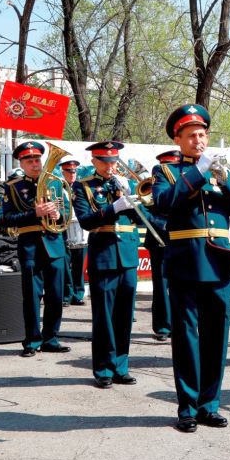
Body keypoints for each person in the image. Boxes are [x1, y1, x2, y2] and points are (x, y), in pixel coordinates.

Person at [154, 104, 230, 431]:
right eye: (191, 136)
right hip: (186, 263)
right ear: (178, 138)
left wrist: (225, 182)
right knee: (186, 338)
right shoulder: (168, 172)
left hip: (218, 263)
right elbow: (165, 202)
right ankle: (187, 406)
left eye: (202, 135)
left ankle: (209, 404)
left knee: (217, 337)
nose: (199, 141)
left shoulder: (220, 173)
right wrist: (197, 171)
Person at [71, 141, 141, 388]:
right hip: (105, 255)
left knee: (124, 315)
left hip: (128, 255)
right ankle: (103, 369)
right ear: (94, 162)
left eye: (113, 161)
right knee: (104, 317)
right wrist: (114, 208)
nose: (110, 166)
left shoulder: (126, 183)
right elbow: (86, 221)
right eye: (105, 161)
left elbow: (141, 218)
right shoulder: (83, 186)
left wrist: (131, 199)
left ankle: (121, 366)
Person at [2, 141, 72, 357]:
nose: (35, 164)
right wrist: (36, 213)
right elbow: (6, 219)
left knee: (56, 295)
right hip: (31, 246)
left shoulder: (56, 183)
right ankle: (32, 340)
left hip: (54, 245)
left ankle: (51, 337)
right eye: (29, 160)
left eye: (37, 159)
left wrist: (59, 215)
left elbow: (67, 211)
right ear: (21, 163)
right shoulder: (13, 188)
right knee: (32, 297)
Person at [146, 149, 179, 338]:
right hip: (159, 237)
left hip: (181, 236)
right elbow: (144, 211)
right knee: (161, 284)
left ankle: (179, 323)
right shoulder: (155, 183)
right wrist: (162, 224)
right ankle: (162, 326)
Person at [59, 156, 88, 306]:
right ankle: (66, 294)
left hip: (80, 227)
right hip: (64, 228)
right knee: (65, 264)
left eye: (74, 171)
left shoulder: (82, 186)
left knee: (79, 265)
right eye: (68, 171)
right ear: (62, 172)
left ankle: (78, 294)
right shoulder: (58, 187)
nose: (72, 174)